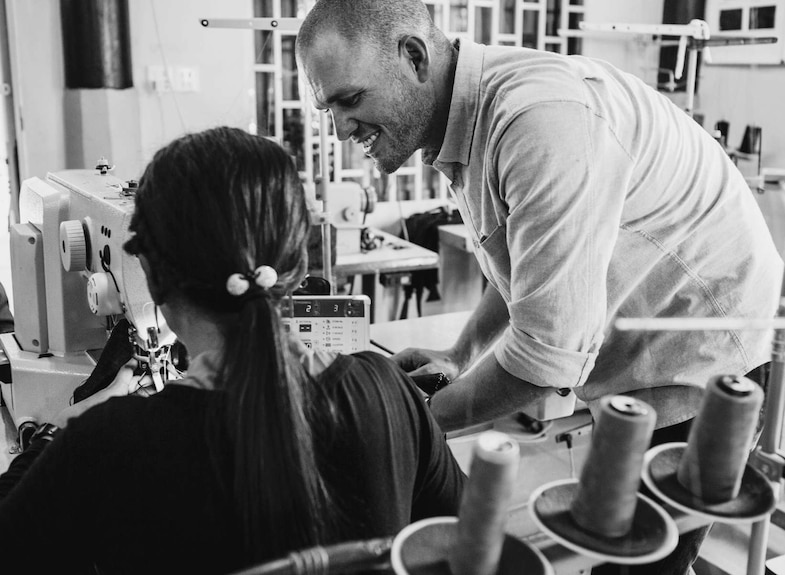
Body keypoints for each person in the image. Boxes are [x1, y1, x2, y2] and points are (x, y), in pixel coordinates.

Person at [296, 2, 783, 574]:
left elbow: (546, 353)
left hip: (706, 354)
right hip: (643, 354)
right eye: (327, 108)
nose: (340, 129)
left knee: (638, 560)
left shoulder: (537, 120)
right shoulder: (468, 123)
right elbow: (534, 268)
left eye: (350, 100)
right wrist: (461, 354)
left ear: (413, 57)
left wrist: (411, 424)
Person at [0, 126, 465, 574]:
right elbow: (465, 543)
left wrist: (55, 435)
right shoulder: (389, 395)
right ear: (297, 263)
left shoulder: (106, 446)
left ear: (151, 275)